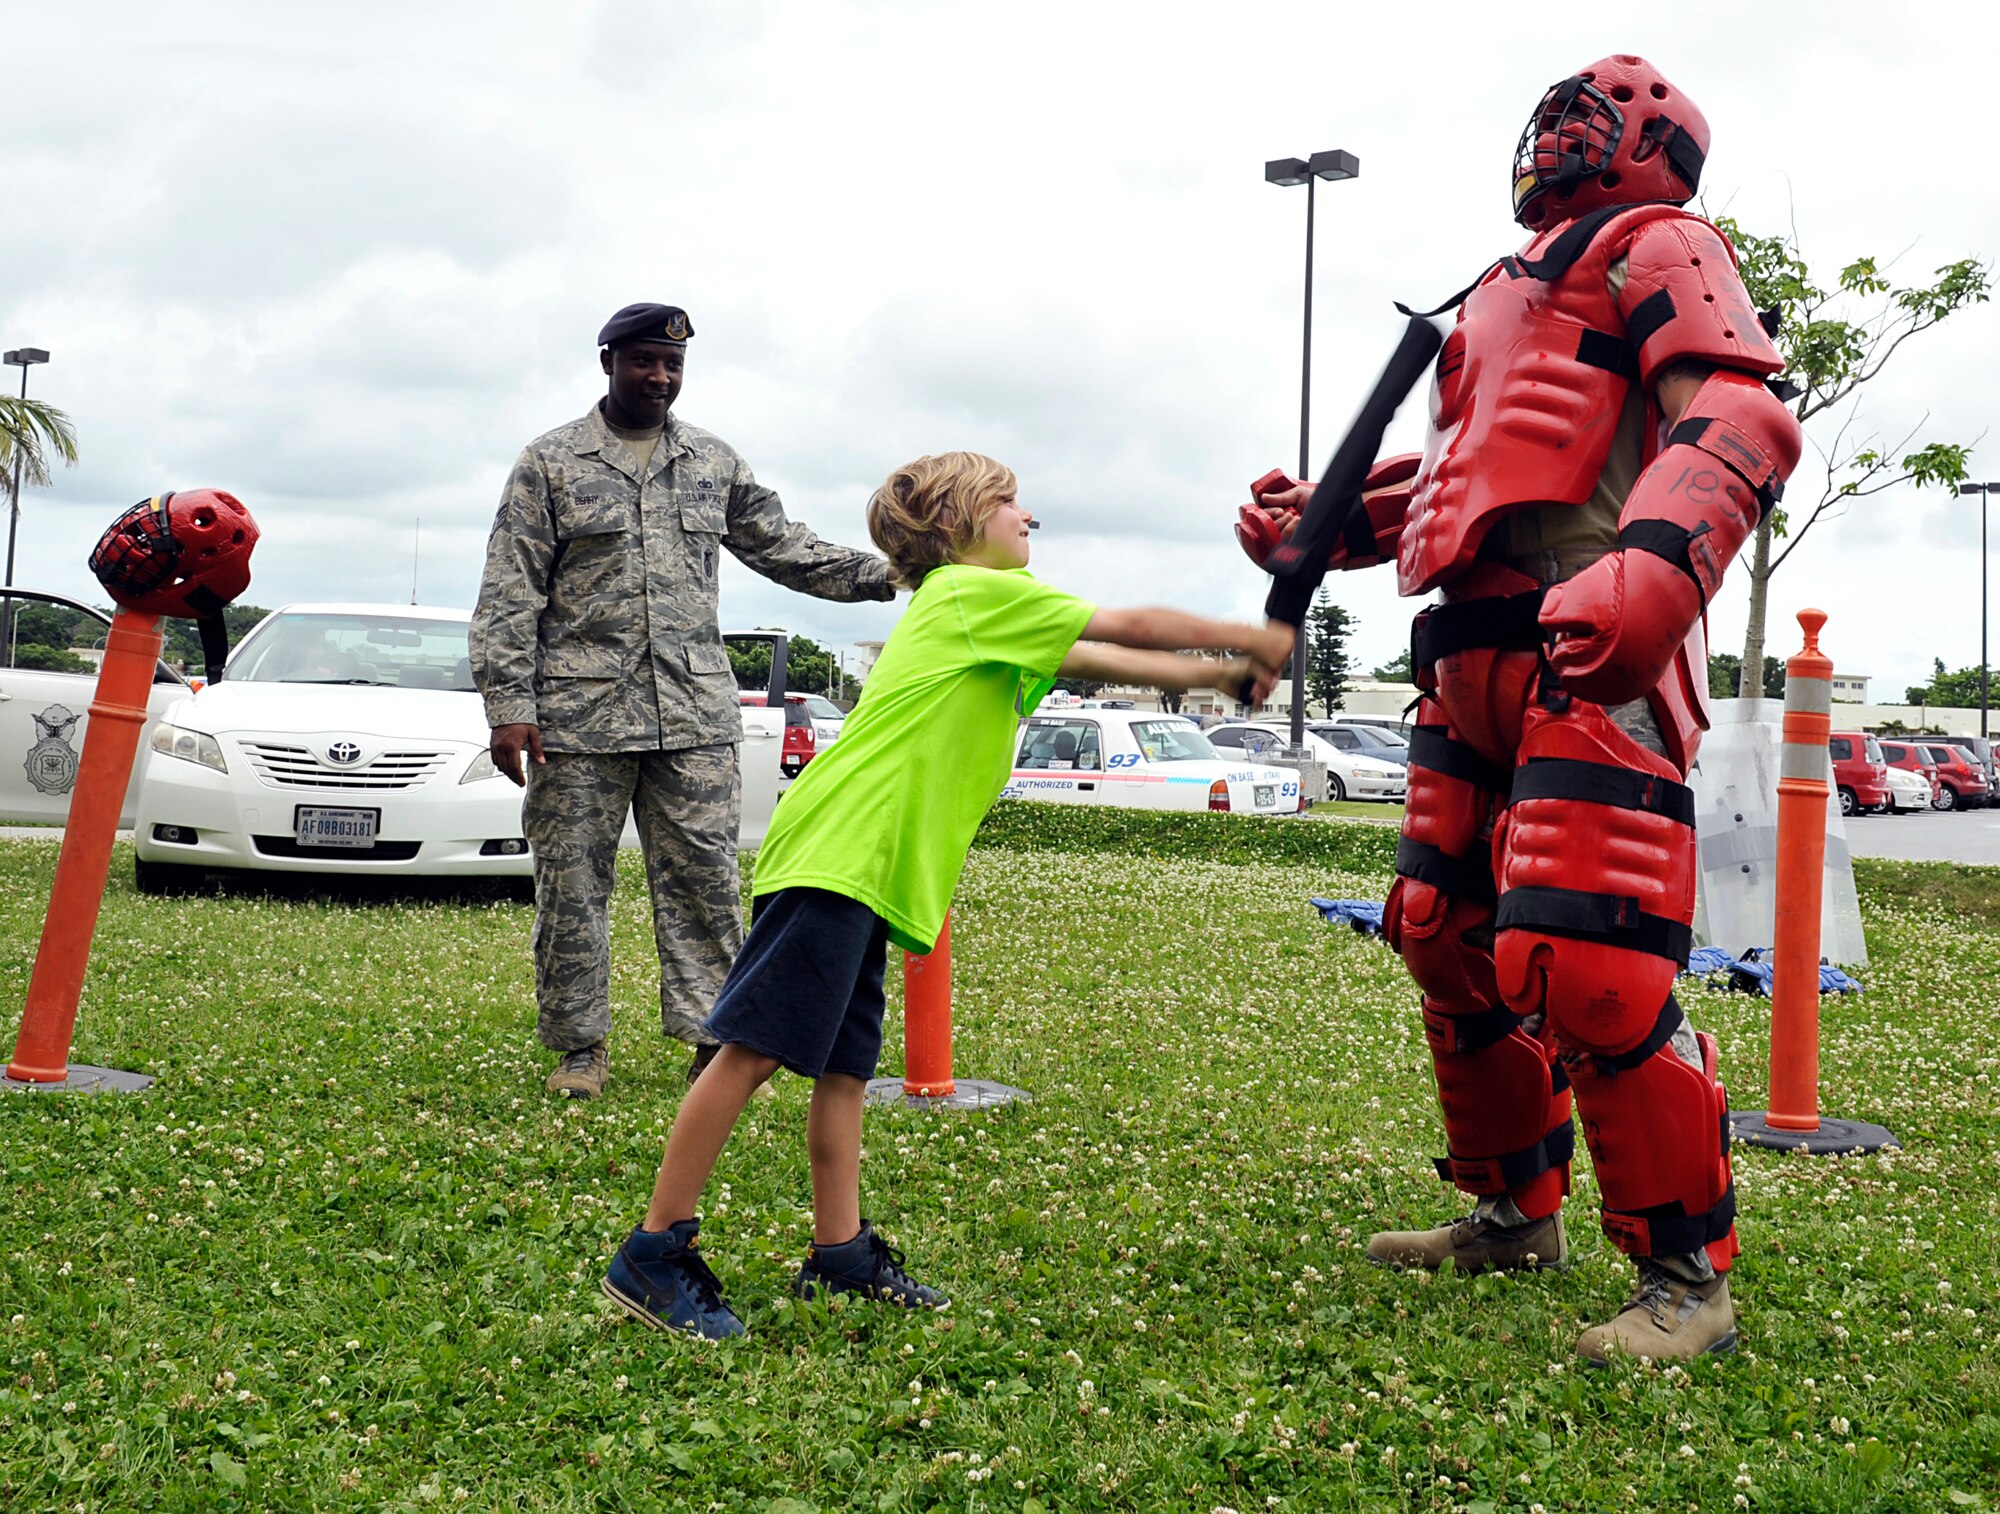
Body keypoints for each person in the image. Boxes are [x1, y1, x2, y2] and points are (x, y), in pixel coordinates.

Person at [1234, 56, 1802, 1363]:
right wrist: (1315, 527)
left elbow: (1740, 415)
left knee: (1589, 968)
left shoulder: (1663, 246)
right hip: (1470, 654)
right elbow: (1464, 477)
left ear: (1654, 138)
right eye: (1549, 111)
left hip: (1588, 657)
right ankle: (1513, 1207)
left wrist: (1658, 566)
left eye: (1582, 113)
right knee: (1445, 932)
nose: (1553, 129)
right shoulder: (1497, 293)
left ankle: (1686, 1274)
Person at [600, 450, 1293, 1338]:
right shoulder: (970, 595)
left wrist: (1219, 680)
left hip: (874, 863)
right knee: (751, 1051)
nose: (1027, 516)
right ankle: (654, 1249)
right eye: (1010, 502)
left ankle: (840, 1254)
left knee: (846, 1068)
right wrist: (1246, 638)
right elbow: (1127, 622)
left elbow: (1096, 652)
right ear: (960, 529)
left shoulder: (978, 614)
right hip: (844, 850)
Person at [471, 304, 895, 1100]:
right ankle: (579, 1049)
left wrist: (887, 574)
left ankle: (712, 1041)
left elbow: (782, 545)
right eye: (643, 362)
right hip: (577, 720)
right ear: (609, 362)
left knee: (705, 884)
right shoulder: (551, 463)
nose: (659, 378)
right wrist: (507, 704)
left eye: (672, 366)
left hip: (694, 717)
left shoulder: (711, 461)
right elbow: (509, 589)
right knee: (572, 889)